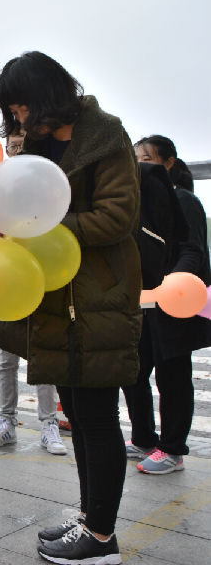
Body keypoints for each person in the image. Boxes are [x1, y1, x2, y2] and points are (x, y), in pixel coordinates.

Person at [0, 51, 140, 564]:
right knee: (77, 411)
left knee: (98, 416)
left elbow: (117, 216)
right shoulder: (33, 145)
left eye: (23, 105)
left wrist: (44, 225)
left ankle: (102, 538)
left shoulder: (105, 135)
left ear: (47, 93)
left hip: (97, 295)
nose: (20, 118)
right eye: (13, 110)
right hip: (54, 297)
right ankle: (90, 518)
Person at [122, 135, 211, 474]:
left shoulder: (183, 200)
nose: (139, 165)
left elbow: (193, 250)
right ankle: (144, 438)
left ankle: (173, 449)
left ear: (168, 162)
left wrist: (172, 283)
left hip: (174, 303)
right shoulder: (140, 203)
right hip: (143, 302)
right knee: (134, 371)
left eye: (146, 158)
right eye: (136, 159)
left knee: (172, 376)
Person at [0, 132, 67, 456]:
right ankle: (6, 421)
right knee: (6, 358)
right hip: (5, 276)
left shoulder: (46, 180)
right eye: (12, 146)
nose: (17, 149)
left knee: (41, 353)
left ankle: (49, 422)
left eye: (22, 144)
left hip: (41, 275)